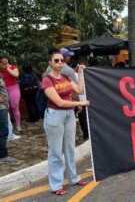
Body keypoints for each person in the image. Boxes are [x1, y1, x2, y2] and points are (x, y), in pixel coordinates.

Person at [42, 49, 90, 195]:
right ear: (50, 62)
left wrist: (80, 73)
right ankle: (56, 185)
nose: (60, 63)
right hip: (55, 115)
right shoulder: (47, 80)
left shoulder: (66, 77)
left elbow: (80, 91)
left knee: (69, 148)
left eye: (62, 60)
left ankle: (74, 178)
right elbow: (59, 102)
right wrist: (81, 104)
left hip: (69, 115)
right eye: (56, 60)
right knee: (55, 151)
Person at [0, 63, 17, 163]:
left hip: (3, 106)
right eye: (4, 63)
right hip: (1, 108)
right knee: (3, 131)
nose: (7, 65)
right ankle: (3, 155)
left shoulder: (1, 73)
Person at [0, 56, 22, 134]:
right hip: (3, 91)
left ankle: (18, 126)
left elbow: (16, 75)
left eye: (7, 62)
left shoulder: (13, 67)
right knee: (6, 108)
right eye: (4, 63)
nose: (6, 64)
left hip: (13, 88)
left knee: (14, 106)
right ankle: (9, 126)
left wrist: (8, 68)